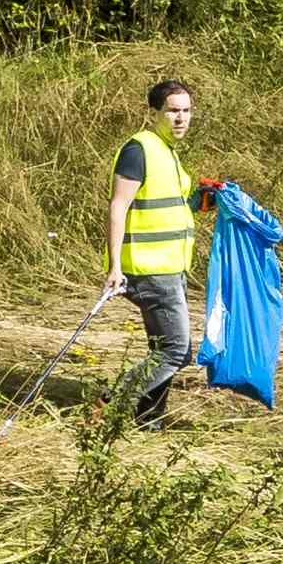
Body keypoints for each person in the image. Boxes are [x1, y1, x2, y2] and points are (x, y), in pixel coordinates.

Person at [91, 75, 216, 427]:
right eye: (173, 111)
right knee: (176, 350)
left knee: (162, 349)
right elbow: (118, 206)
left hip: (169, 267)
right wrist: (115, 267)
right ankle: (111, 401)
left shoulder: (168, 153)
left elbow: (168, 205)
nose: (181, 118)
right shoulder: (139, 150)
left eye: (187, 111)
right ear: (154, 113)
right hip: (147, 270)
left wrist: (201, 200)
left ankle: (148, 419)